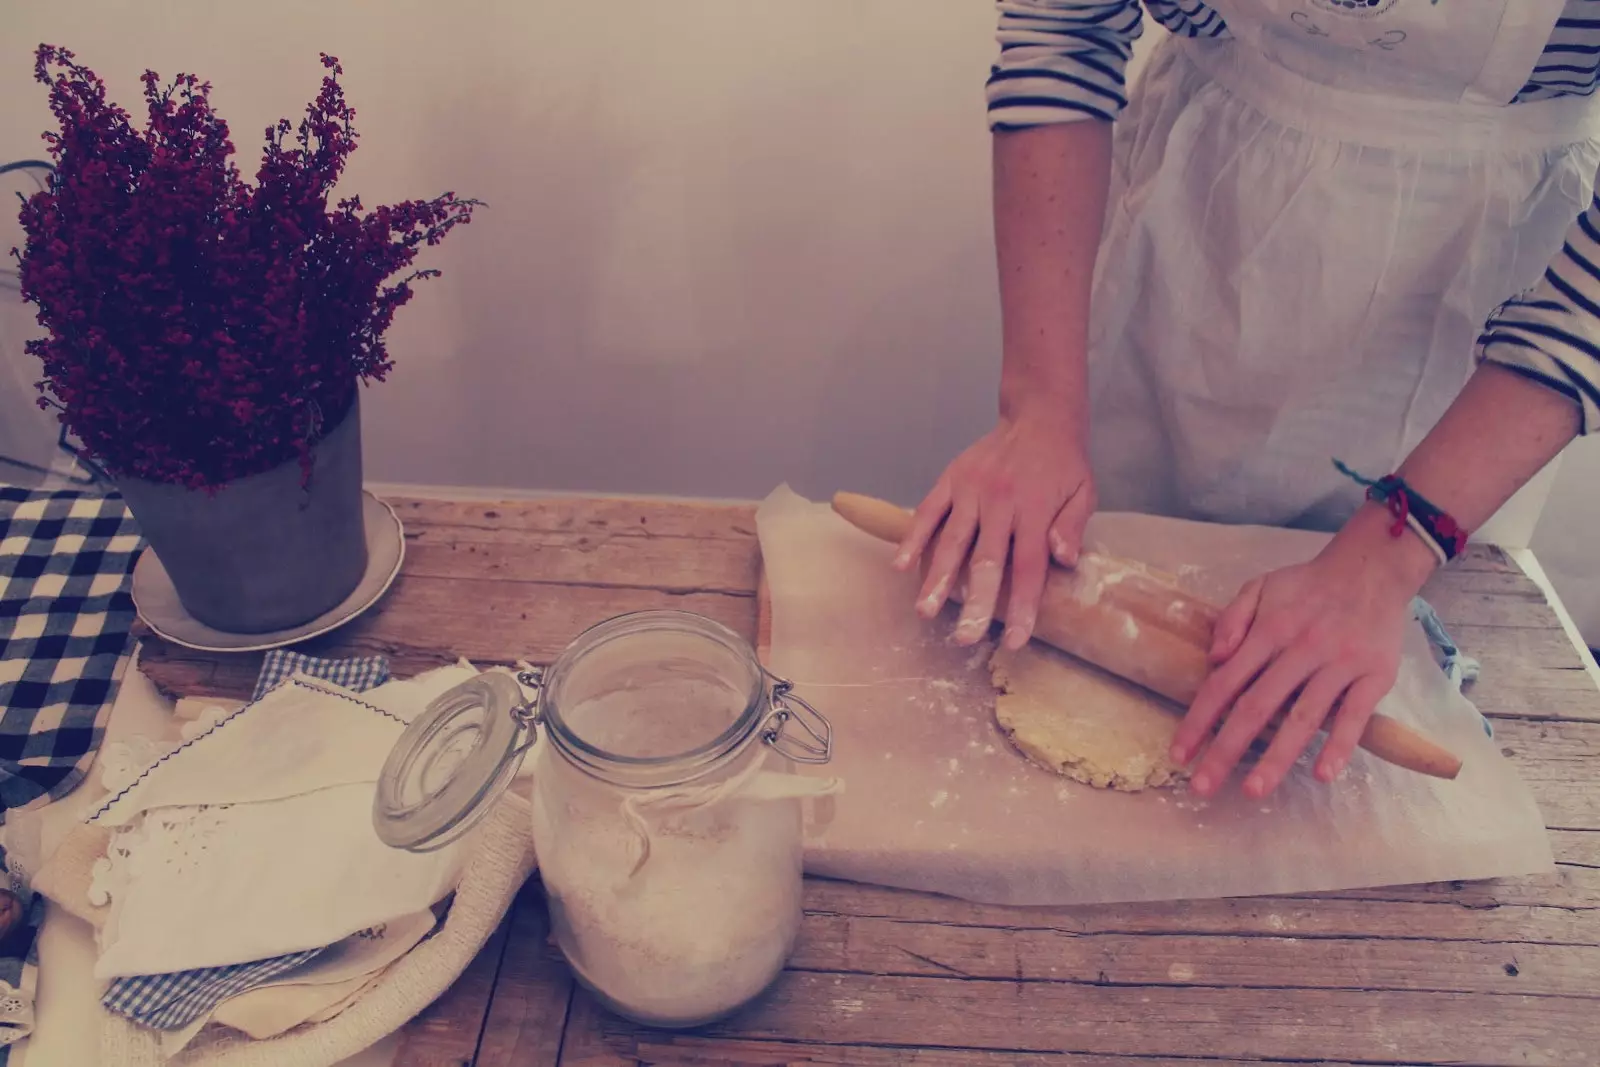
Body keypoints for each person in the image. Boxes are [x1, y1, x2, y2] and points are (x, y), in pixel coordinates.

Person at [896, 1, 1600, 800]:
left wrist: (1396, 550)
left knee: (1416, 687)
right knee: (1117, 564)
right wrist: (1040, 409)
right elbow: (1063, 32)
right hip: (1198, 237)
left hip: (1481, 342)